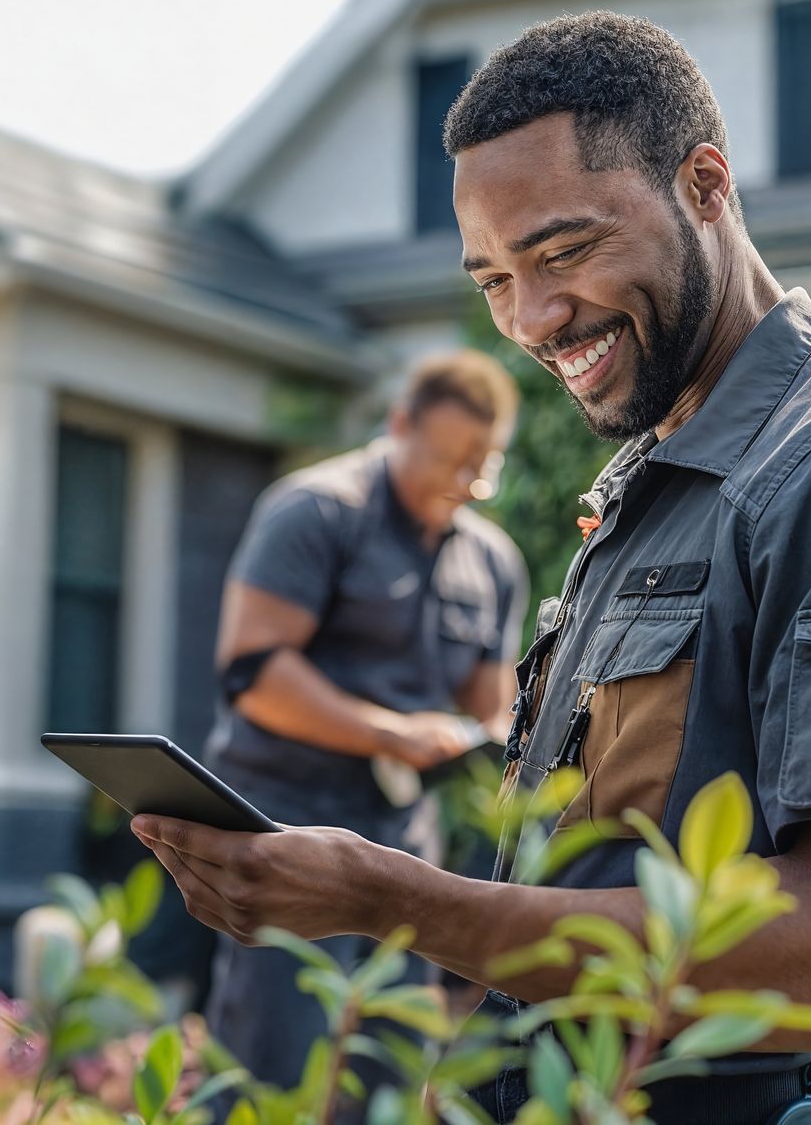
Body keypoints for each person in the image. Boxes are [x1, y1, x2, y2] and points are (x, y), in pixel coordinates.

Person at [134, 11, 811, 1124]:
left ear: (706, 186)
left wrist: (398, 899)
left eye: (563, 252)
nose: (531, 319)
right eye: (492, 280)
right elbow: (577, 886)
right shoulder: (652, 486)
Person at [200, 348, 529, 1095]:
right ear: (399, 425)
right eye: (449, 460)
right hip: (284, 818)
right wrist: (390, 731)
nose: (466, 484)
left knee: (393, 1065)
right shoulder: (314, 511)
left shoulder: (493, 560)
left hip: (405, 840)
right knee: (273, 1064)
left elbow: (492, 705)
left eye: (484, 466)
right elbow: (250, 673)